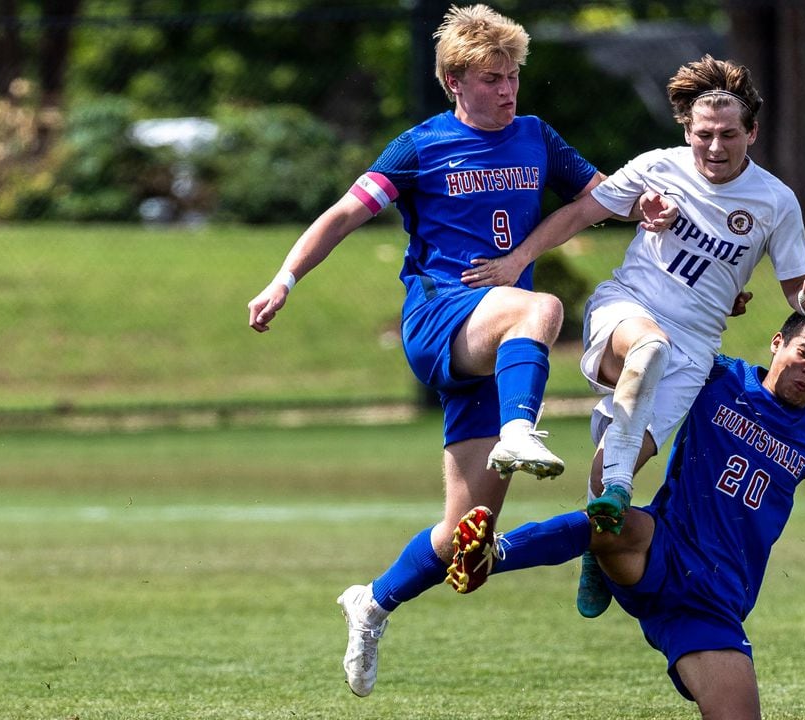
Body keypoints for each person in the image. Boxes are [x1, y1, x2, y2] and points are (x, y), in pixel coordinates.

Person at [246, 4, 606, 698]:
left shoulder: (537, 137)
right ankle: (521, 430)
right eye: (492, 78)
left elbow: (598, 199)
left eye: (513, 77)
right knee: (545, 307)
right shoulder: (420, 146)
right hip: (441, 320)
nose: (508, 91)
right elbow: (346, 214)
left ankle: (373, 601)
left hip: (499, 344)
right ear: (453, 81)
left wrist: (531, 251)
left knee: (465, 538)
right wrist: (284, 278)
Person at [446, 311, 805, 719]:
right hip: (659, 550)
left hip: (713, 605)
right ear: (778, 343)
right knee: (612, 524)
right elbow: (646, 356)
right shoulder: (717, 376)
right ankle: (492, 555)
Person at [460, 55, 805, 616]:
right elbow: (579, 213)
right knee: (648, 349)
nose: (715, 148)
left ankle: (597, 545)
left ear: (751, 133)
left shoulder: (775, 201)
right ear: (686, 131)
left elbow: (795, 286)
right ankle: (614, 491)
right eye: (704, 135)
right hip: (628, 310)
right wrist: (516, 261)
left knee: (611, 460)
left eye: (729, 135)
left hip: (694, 347)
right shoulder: (657, 168)